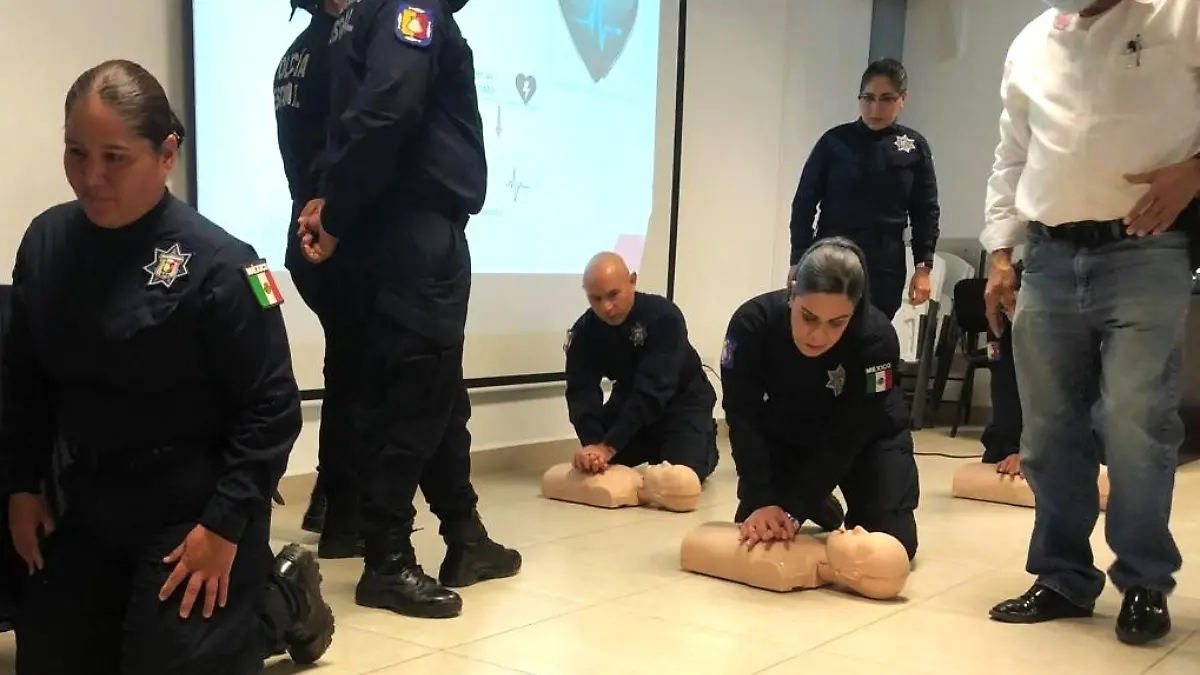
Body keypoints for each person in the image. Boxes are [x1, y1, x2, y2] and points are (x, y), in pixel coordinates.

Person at [0, 59, 334, 674]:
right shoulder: (46, 244)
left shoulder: (224, 266)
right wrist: (21, 485)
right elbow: (24, 380)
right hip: (90, 498)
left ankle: (281, 596)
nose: (91, 177)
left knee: (169, 659)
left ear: (166, 153)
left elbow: (271, 408)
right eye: (76, 152)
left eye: (114, 157)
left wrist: (226, 527)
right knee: (51, 654)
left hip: (193, 509)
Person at [981, 0, 1200, 646]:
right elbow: (1010, 157)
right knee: (1047, 429)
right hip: (1046, 256)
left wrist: (1195, 172)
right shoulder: (1030, 42)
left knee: (1135, 420)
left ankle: (1142, 580)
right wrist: (1000, 253)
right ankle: (1063, 576)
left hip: (1145, 249)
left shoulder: (1182, 15)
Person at [295, 0, 521, 619]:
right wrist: (336, 212)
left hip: (383, 230)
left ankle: (465, 538)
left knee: (435, 389)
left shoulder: (350, 19)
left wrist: (334, 204)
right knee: (413, 399)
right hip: (411, 231)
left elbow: (346, 122)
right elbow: (386, 107)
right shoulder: (407, 7)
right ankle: (387, 561)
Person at [721, 238, 920, 559]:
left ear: (854, 312)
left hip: (867, 437)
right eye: (809, 317)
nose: (818, 335)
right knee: (757, 530)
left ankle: (811, 494)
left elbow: (851, 432)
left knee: (892, 548)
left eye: (837, 323)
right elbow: (742, 414)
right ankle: (816, 499)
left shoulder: (876, 339)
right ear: (792, 294)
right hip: (790, 431)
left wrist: (795, 508)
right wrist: (763, 499)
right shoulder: (751, 325)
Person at [273, 0, 361, 558]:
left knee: (346, 368)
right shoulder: (341, 46)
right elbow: (349, 144)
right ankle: (344, 515)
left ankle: (332, 504)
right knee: (363, 377)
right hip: (334, 231)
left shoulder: (290, 57)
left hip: (301, 230)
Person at [789, 58, 941, 320]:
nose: (875, 108)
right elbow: (804, 202)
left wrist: (923, 268)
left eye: (886, 99)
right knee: (825, 328)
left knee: (874, 333)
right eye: (868, 98)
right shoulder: (835, 142)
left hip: (884, 265)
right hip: (831, 256)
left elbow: (925, 211)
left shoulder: (913, 147)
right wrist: (798, 258)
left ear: (902, 99)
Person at [564, 252, 720, 484]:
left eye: (613, 295)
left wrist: (609, 446)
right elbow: (581, 392)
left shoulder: (664, 317)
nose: (606, 307)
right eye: (596, 299)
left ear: (632, 280)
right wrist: (594, 445)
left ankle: (704, 442)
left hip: (681, 400)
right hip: (629, 397)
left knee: (682, 478)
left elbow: (654, 389)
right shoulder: (584, 332)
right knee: (598, 467)